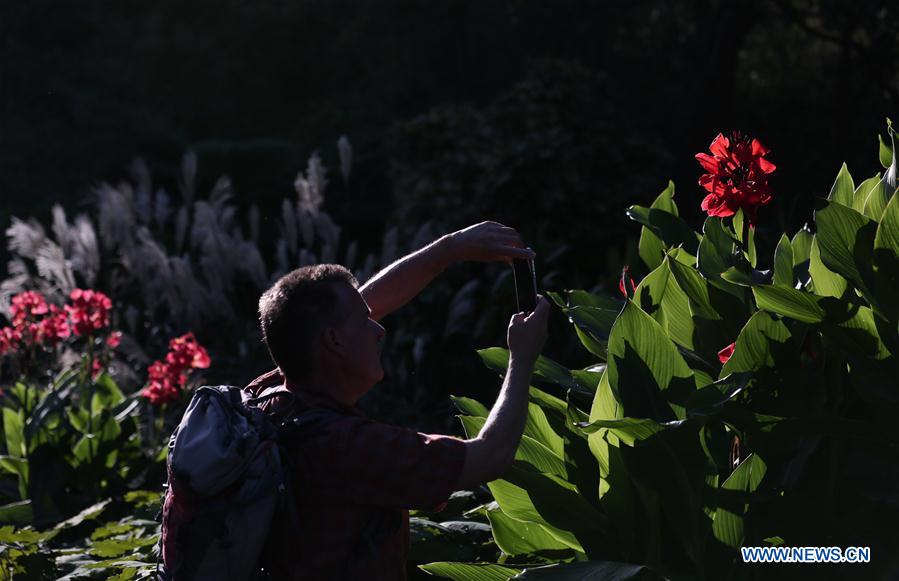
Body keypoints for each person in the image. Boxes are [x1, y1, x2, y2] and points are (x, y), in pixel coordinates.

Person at [245, 221, 549, 580]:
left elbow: (353, 312)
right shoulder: (349, 447)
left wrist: (450, 248)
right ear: (334, 341)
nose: (380, 329)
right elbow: (488, 457)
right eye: (365, 321)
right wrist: (522, 358)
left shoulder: (266, 398)